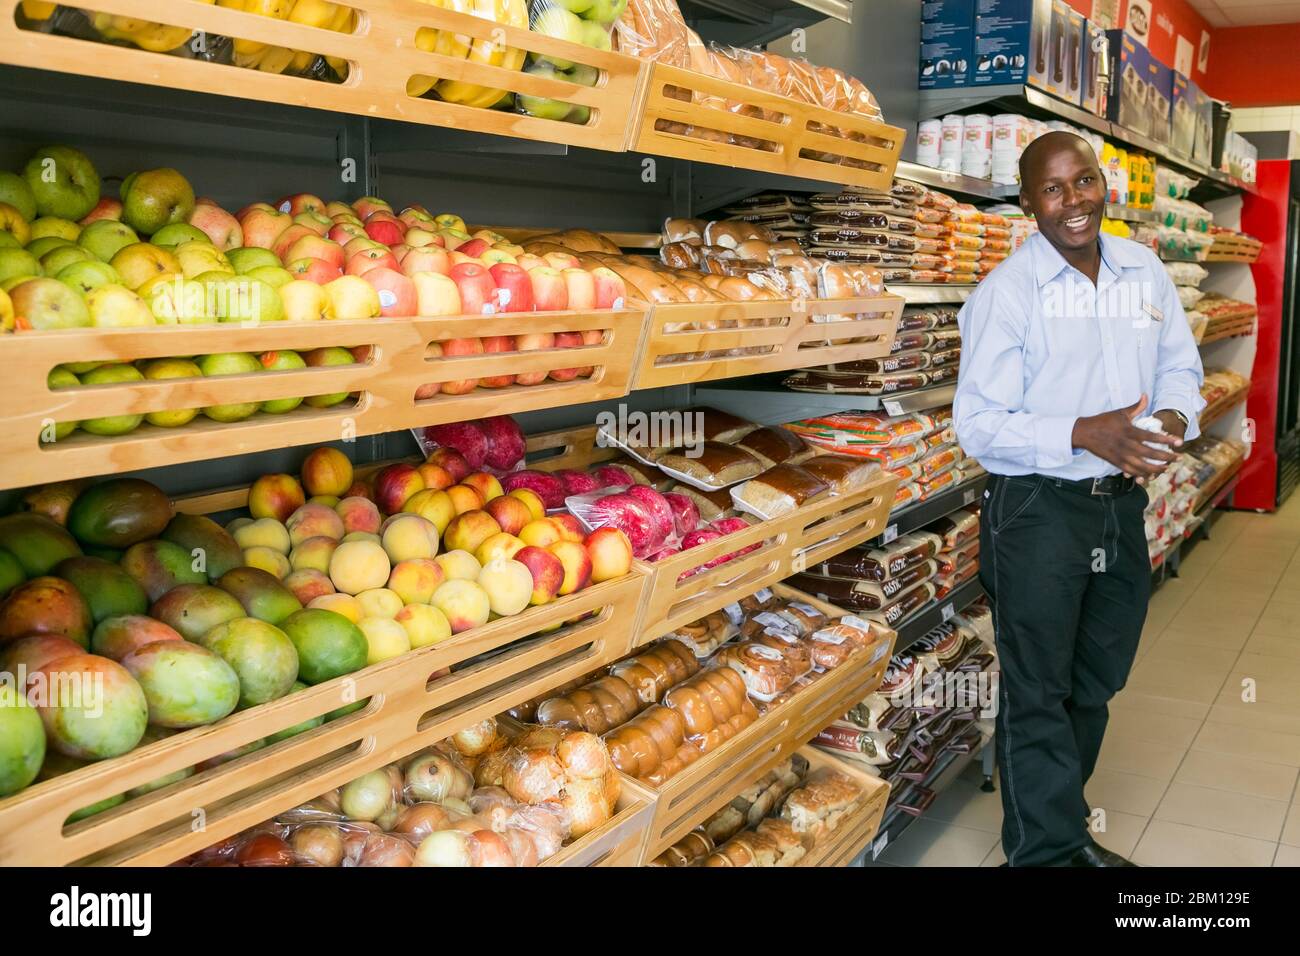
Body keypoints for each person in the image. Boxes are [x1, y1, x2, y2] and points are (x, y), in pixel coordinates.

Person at [953, 131, 1205, 867]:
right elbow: (978, 426)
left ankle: (1061, 832)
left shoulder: (1143, 270)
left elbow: (1181, 369)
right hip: (1036, 512)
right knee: (1038, 689)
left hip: (1117, 507)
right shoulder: (1006, 294)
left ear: (1104, 184)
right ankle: (1044, 856)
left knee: (1095, 681)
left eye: (1084, 181)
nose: (1075, 201)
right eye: (1054, 189)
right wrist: (1082, 432)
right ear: (1027, 201)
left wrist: (1168, 420)